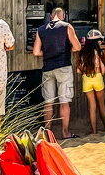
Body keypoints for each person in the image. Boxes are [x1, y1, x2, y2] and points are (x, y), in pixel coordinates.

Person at [33, 7, 82, 139]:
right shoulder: (67, 26)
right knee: (64, 102)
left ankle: (47, 133)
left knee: (48, 102)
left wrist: (47, 53)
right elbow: (77, 47)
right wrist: (67, 50)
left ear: (50, 16)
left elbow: (36, 52)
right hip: (63, 66)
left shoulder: (41, 29)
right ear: (63, 15)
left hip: (47, 68)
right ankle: (65, 133)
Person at [76, 29, 105, 135]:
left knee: (92, 106)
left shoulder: (82, 53)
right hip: (97, 77)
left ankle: (94, 130)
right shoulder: (98, 53)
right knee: (101, 104)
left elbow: (78, 70)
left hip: (86, 79)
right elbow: (103, 70)